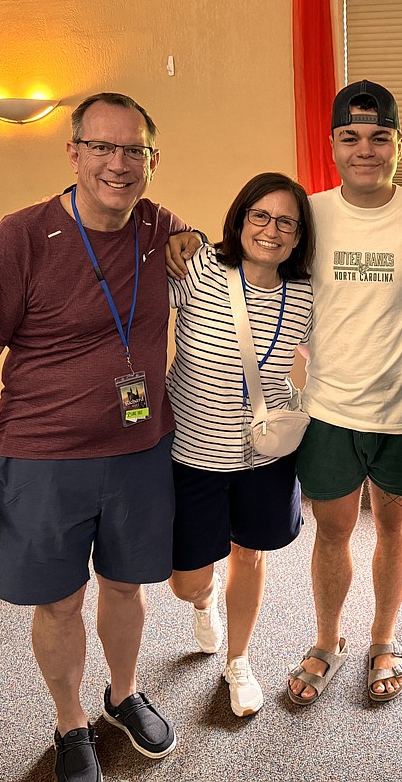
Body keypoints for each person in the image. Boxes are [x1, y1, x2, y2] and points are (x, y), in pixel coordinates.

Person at [0, 92, 198, 782]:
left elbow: (204, 251)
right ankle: (69, 721)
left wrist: (196, 238)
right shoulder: (20, 236)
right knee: (59, 601)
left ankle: (121, 694)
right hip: (42, 458)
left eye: (133, 151)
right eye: (102, 147)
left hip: (141, 453)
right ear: (74, 152)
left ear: (153, 159)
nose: (118, 164)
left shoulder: (160, 227)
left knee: (126, 586)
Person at [285, 80, 402, 705]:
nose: (366, 149)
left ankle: (383, 637)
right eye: (351, 137)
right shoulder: (307, 215)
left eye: (379, 137)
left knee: (395, 525)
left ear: (398, 145)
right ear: (332, 145)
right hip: (328, 410)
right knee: (331, 532)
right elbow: (249, 261)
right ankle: (327, 640)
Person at [165, 173, 314, 717]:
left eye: (286, 222)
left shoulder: (304, 292)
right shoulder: (200, 267)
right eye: (260, 216)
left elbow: (339, 353)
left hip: (265, 453)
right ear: (240, 218)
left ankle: (239, 660)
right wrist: (179, 234)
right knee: (186, 582)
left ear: (298, 237)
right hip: (194, 452)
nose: (271, 230)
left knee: (250, 554)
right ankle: (204, 604)